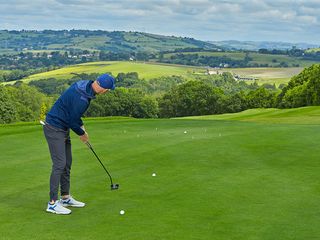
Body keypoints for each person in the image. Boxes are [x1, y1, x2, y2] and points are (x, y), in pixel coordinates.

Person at [43, 73, 115, 215]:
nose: (107, 92)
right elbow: (72, 120)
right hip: (54, 128)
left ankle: (65, 198)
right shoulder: (83, 98)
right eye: (107, 90)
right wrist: (82, 134)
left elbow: (74, 115)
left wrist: (82, 128)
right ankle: (52, 204)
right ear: (102, 88)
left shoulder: (85, 87)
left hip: (62, 128)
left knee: (66, 163)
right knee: (59, 164)